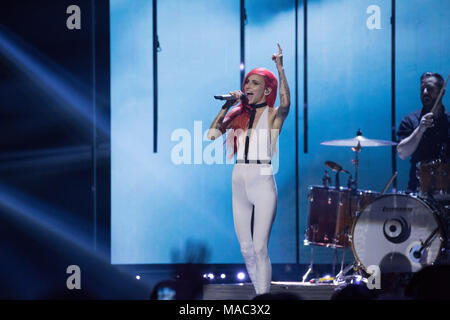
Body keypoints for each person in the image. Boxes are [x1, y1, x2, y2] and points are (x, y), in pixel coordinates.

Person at [207, 44, 290, 294]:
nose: (248, 87)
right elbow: (212, 134)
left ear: (267, 89)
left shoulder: (274, 114)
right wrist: (226, 106)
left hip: (262, 177)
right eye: (247, 83)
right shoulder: (237, 113)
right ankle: (259, 294)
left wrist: (280, 67)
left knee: (260, 246)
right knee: (245, 248)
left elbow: (286, 102)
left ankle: (263, 300)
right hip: (239, 177)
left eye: (254, 83)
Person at [397, 72, 449, 193]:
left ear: (442, 92)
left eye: (430, 89)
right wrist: (419, 129)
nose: (425, 92)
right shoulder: (410, 120)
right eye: (422, 89)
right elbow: (402, 153)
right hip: (419, 192)